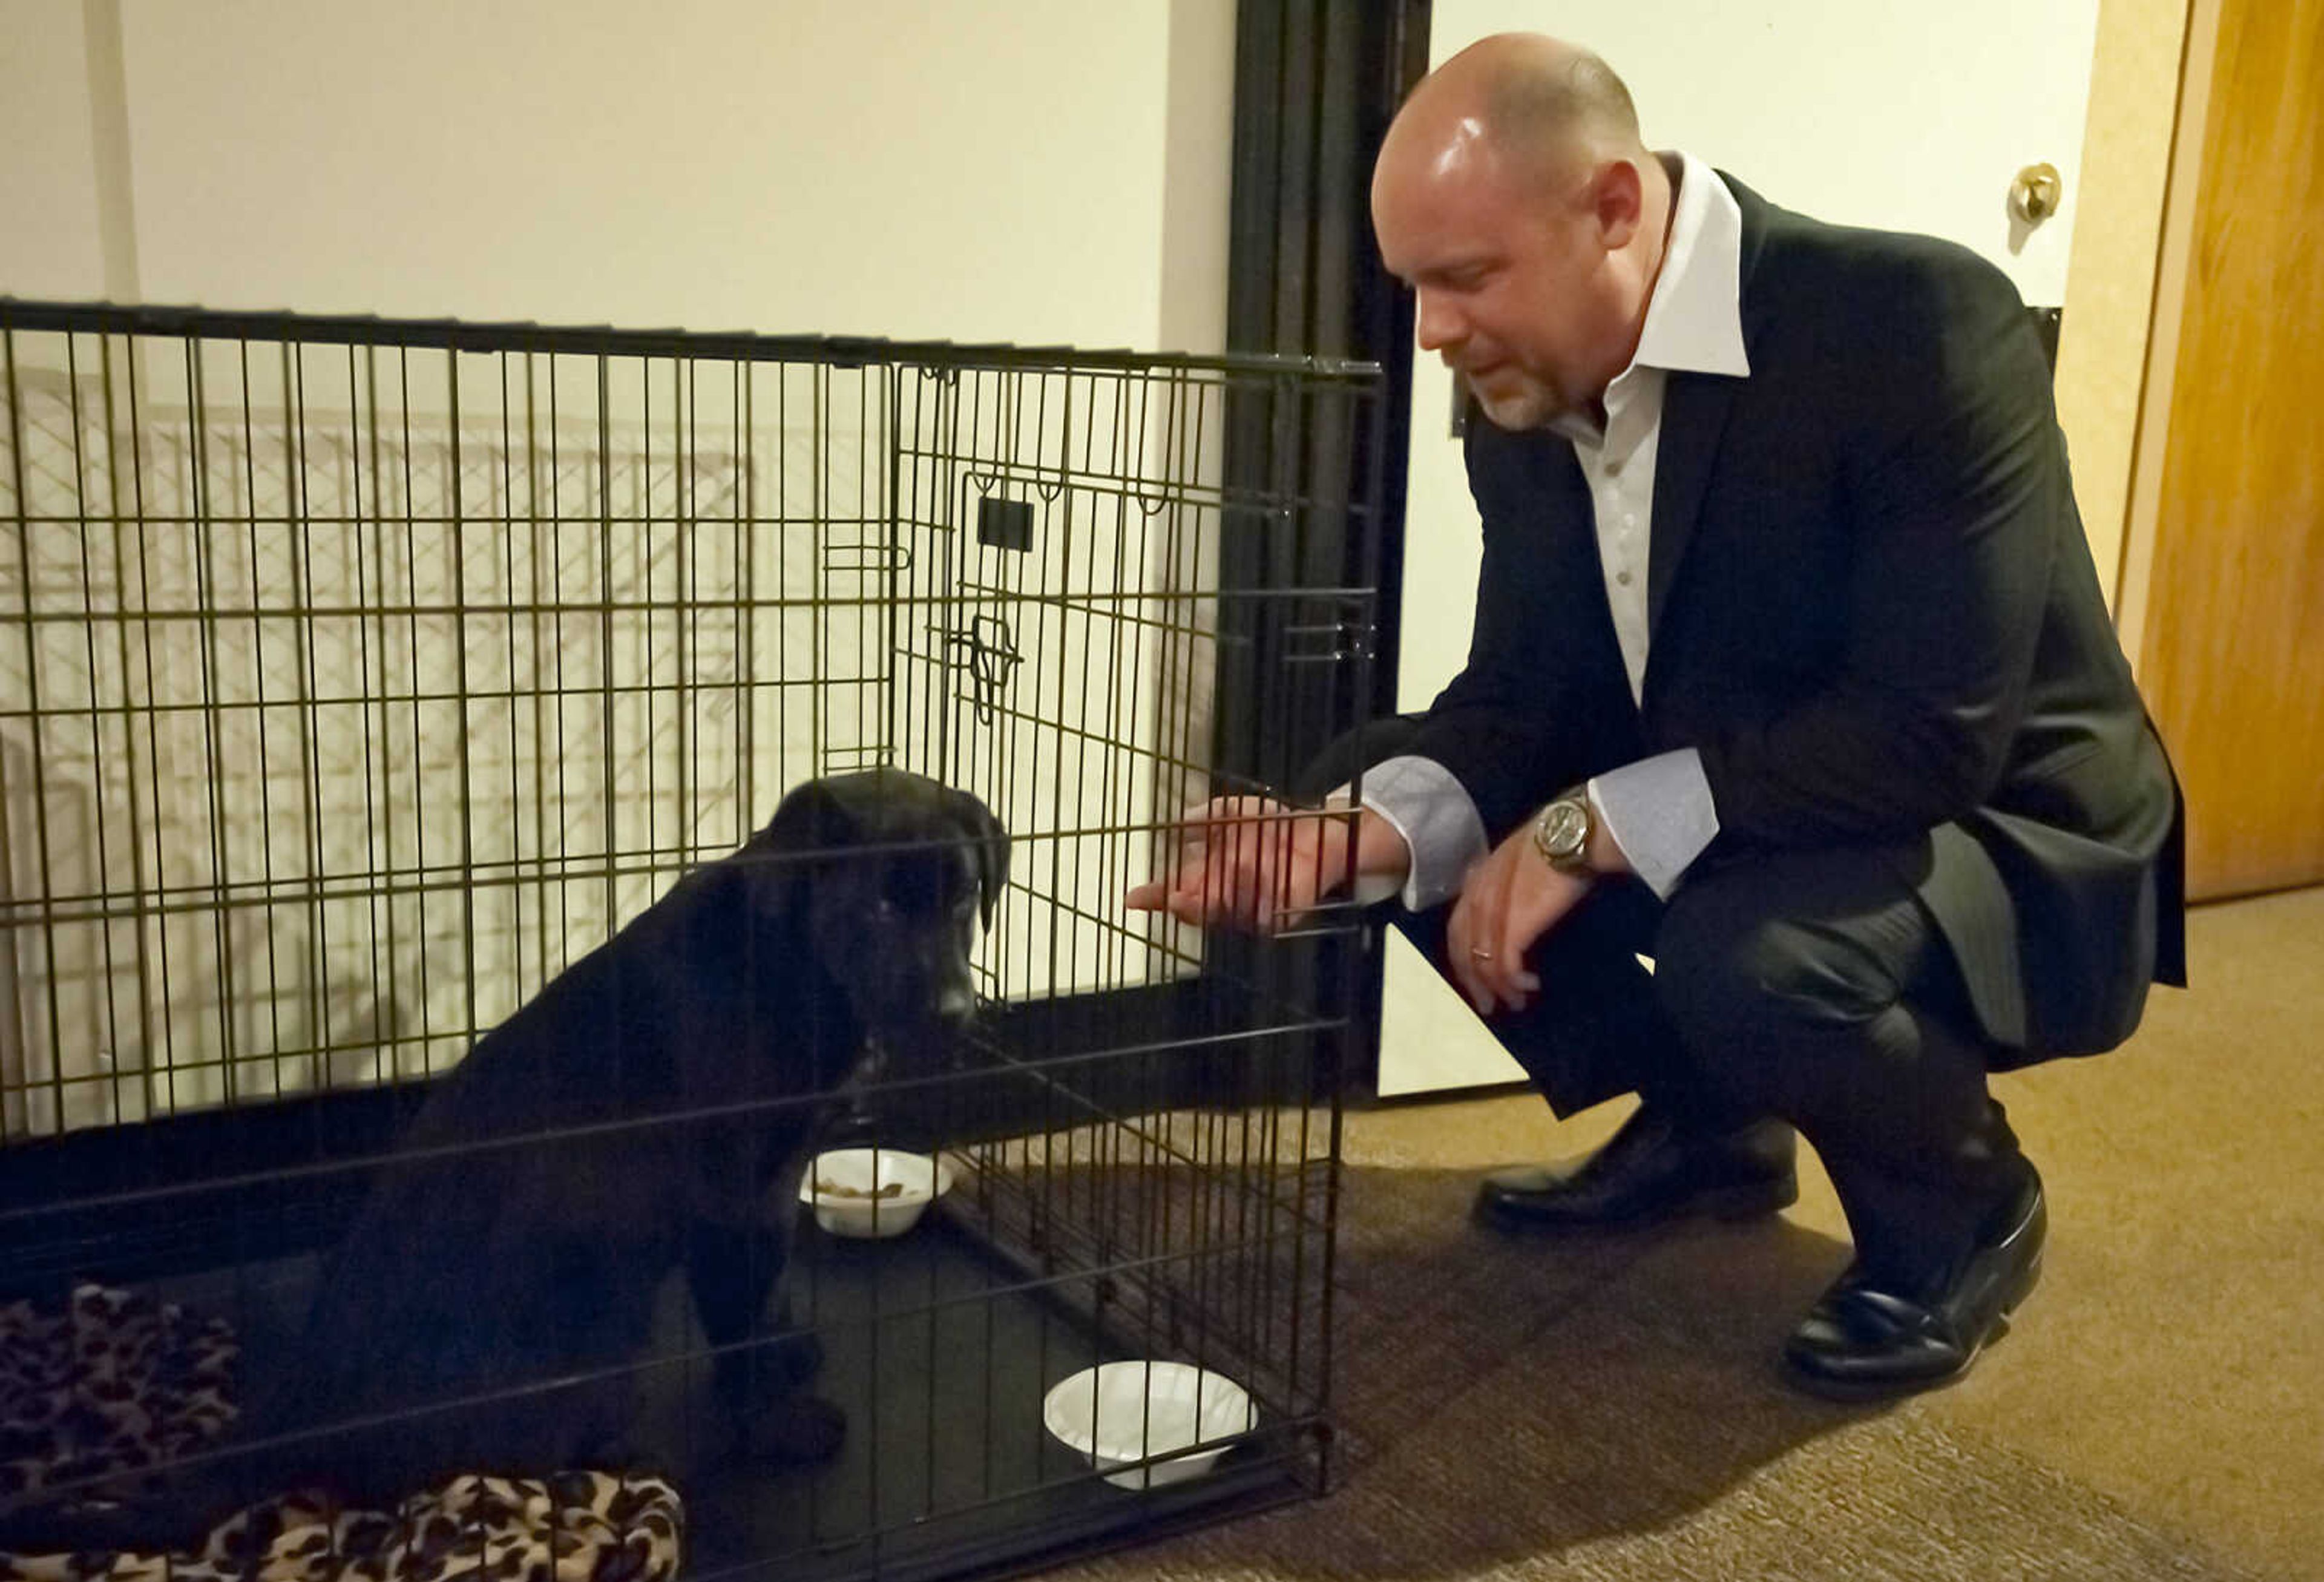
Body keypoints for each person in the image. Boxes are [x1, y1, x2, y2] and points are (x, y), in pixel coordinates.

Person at [1128, 31, 2184, 1402]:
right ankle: (1713, 1125)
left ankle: (1966, 1205)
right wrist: (1352, 838)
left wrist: (1585, 826)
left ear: (1616, 209)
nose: (1432, 332)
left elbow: (1929, 733)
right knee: (1388, 801)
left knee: (1746, 955)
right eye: (1416, 289)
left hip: (1991, 818)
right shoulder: (1515, 383)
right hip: (1763, 796)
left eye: (1466, 278)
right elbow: (1524, 693)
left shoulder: (1914, 321)